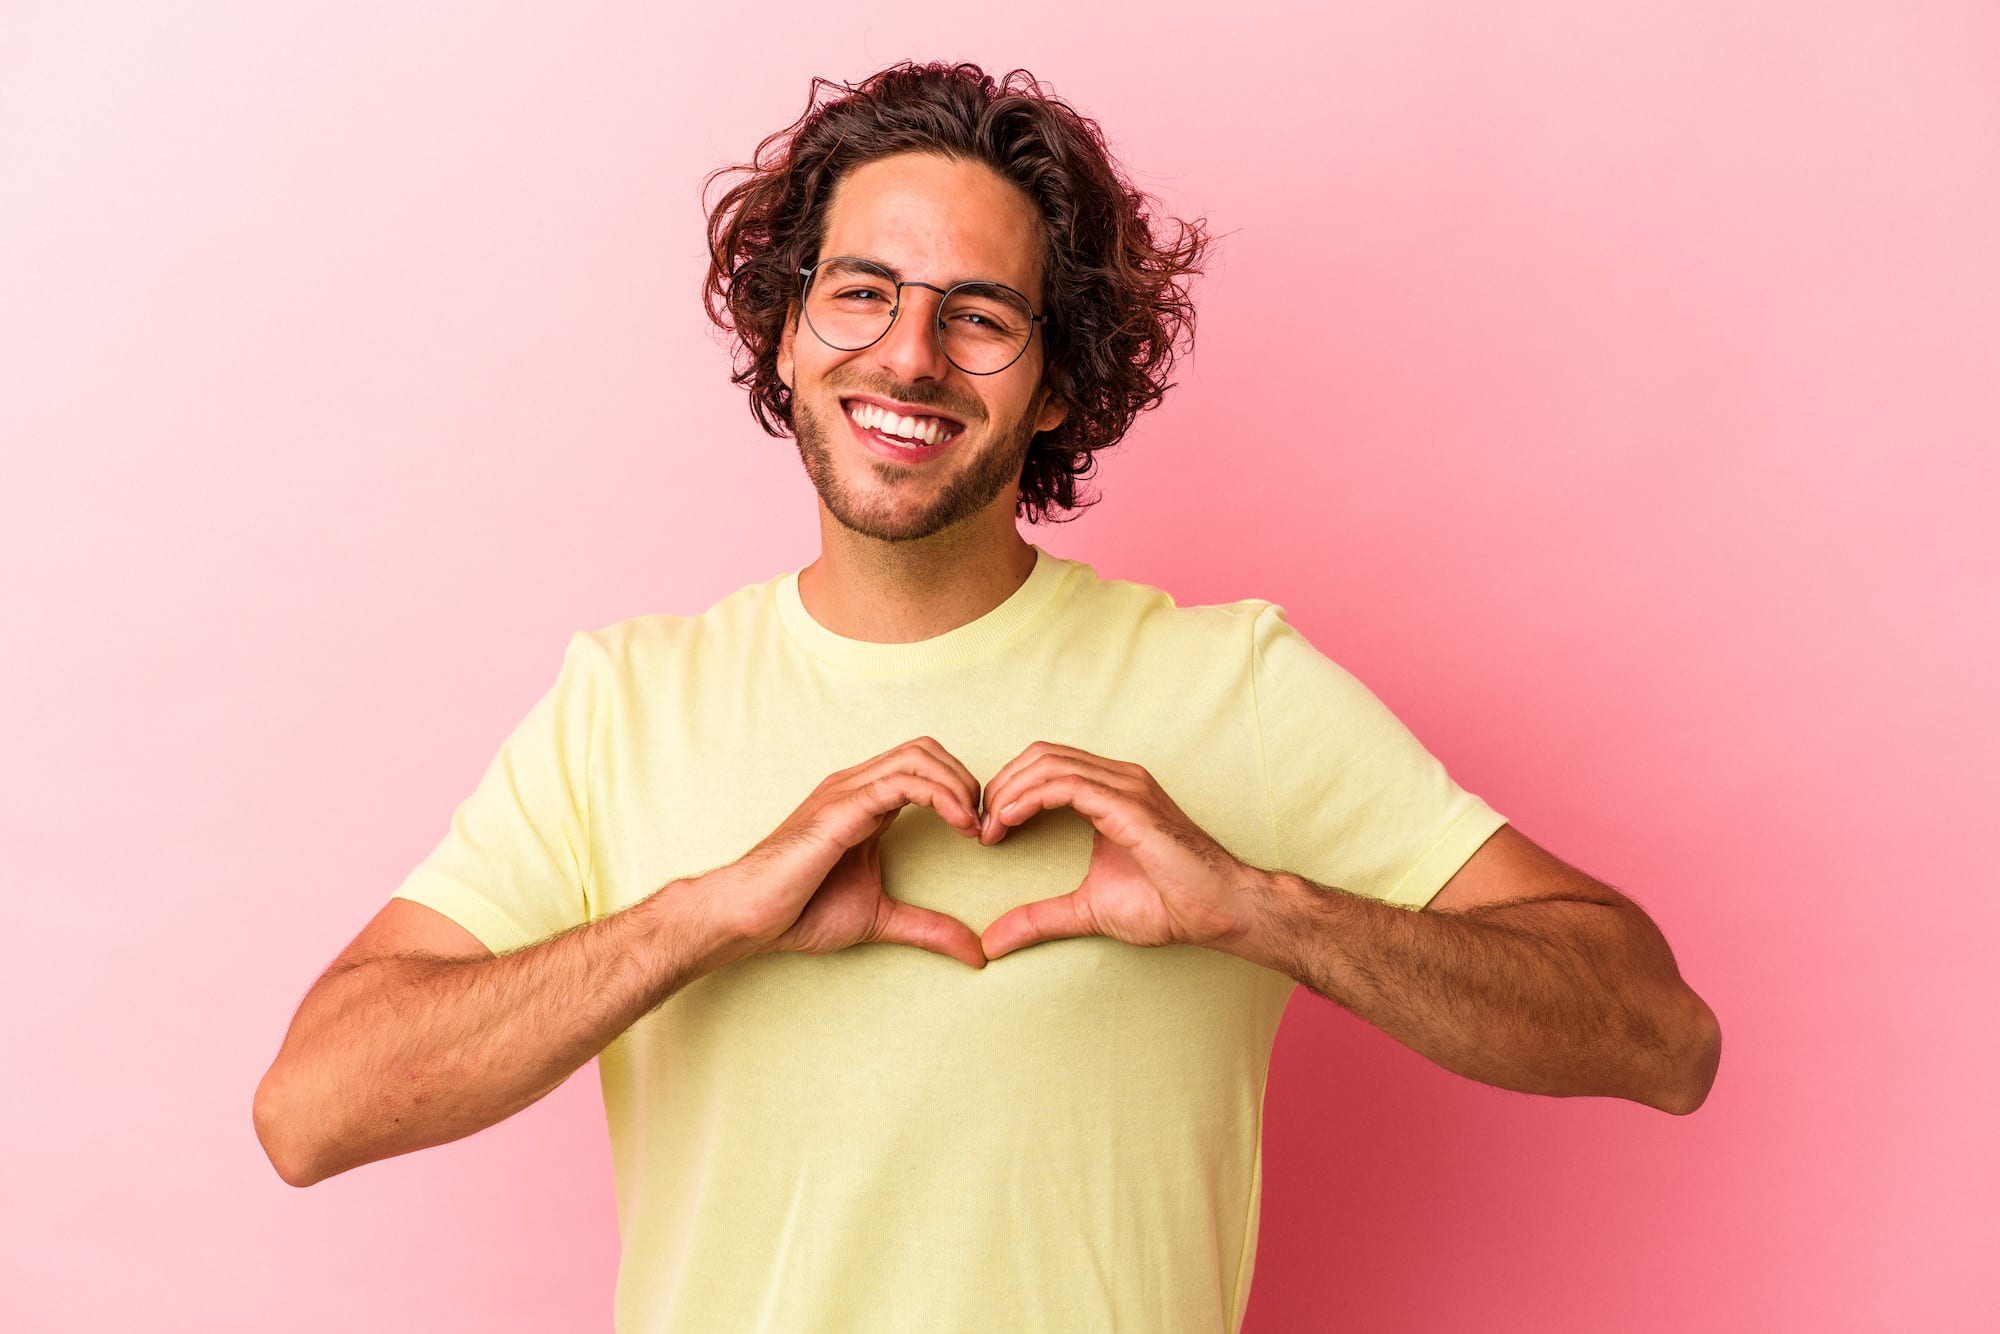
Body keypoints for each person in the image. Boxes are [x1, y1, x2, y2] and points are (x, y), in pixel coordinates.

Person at [254, 60, 1721, 1333]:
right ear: (784, 330)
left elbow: (1662, 1036)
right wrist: (704, 915)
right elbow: (309, 1110)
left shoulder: (1236, 684)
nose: (907, 353)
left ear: (1061, 385)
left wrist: (1261, 907)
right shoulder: (621, 703)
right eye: (862, 294)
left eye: (979, 315)